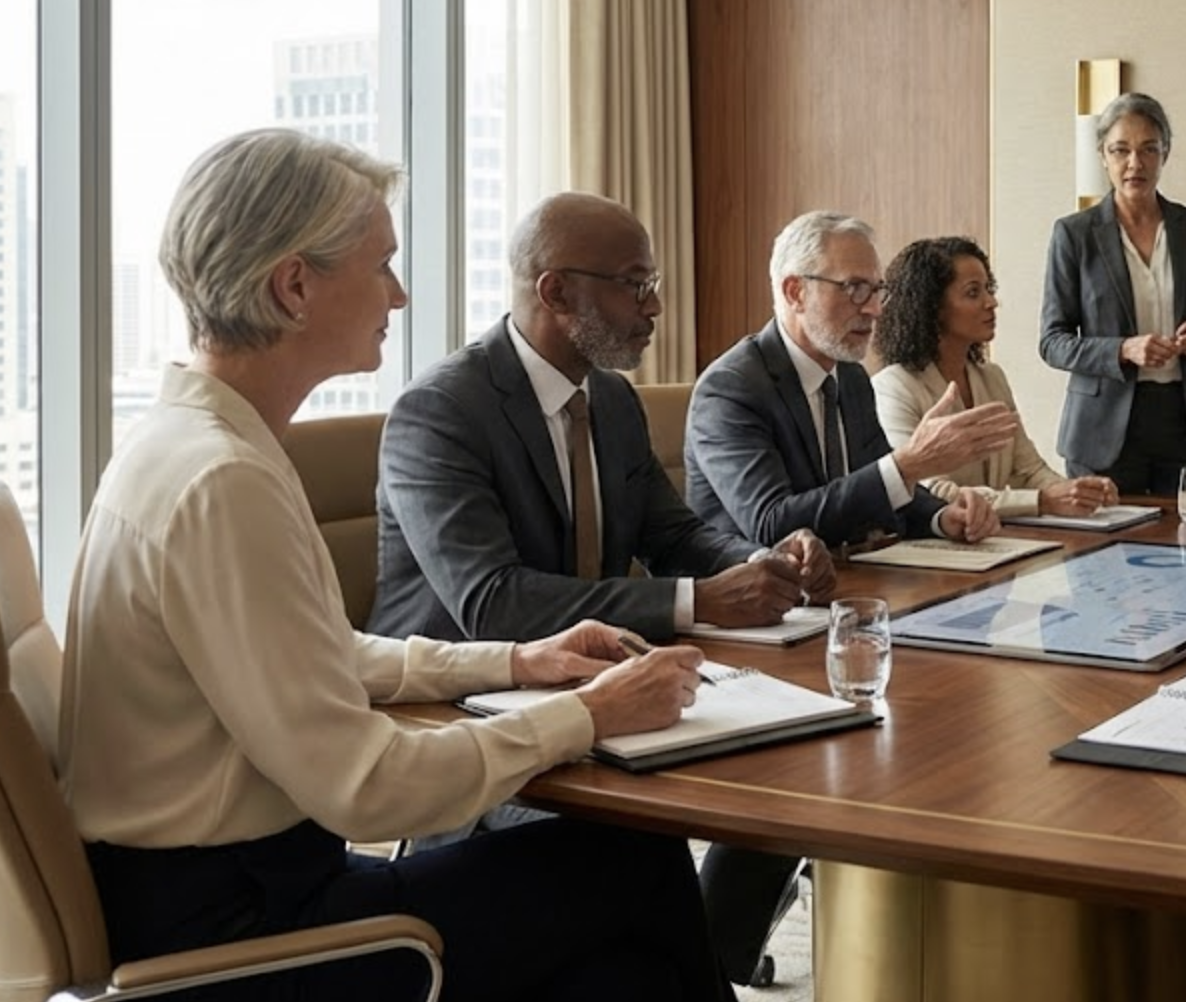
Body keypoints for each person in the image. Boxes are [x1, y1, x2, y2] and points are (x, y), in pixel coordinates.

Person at [58, 129, 732, 1002]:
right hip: (244, 936)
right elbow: (365, 787)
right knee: (631, 866)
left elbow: (317, 654)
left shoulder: (188, 446)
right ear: (295, 285)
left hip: (218, 893)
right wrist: (584, 717)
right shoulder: (223, 480)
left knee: (622, 968)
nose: (402, 294)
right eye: (382, 266)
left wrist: (519, 661)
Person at [371, 192, 833, 989]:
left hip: (589, 690)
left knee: (782, 777)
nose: (655, 306)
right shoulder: (441, 410)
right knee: (637, 853)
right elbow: (492, 602)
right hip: (461, 717)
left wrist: (763, 563)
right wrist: (695, 602)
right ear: (554, 292)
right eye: (634, 284)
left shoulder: (609, 400)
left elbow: (674, 535)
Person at [685, 211, 1015, 549]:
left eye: (876, 290)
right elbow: (771, 524)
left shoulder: (850, 376)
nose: (874, 309)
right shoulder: (731, 389)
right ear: (796, 292)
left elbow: (874, 489)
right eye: (855, 288)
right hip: (753, 590)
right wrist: (908, 464)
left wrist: (941, 517)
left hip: (845, 578)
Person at [1038, 92, 1186, 495]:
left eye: (1149, 149)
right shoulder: (1073, 234)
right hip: (1102, 429)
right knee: (1100, 555)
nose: (1135, 163)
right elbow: (1052, 342)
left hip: (1185, 422)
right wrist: (1123, 349)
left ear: (1166, 153)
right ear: (1103, 155)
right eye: (1120, 150)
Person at [871, 235, 1118, 518]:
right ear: (932, 306)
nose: (992, 302)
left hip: (998, 539)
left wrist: (1077, 492)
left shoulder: (992, 377)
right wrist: (1041, 501)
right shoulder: (893, 387)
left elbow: (1030, 470)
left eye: (989, 289)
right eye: (973, 293)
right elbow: (931, 491)